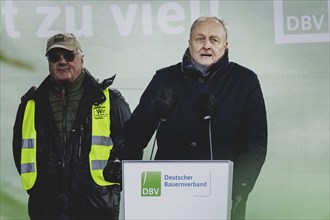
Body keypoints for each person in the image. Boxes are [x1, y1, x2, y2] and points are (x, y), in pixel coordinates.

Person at [118, 16, 267, 220]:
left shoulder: (245, 81)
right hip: (167, 197)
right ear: (189, 43)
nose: (206, 45)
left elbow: (255, 143)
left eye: (214, 40)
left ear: (226, 45)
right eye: (200, 39)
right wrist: (123, 168)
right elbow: (135, 132)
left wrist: (239, 190)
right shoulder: (164, 79)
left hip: (222, 199)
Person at [12, 32, 131, 220]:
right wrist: (36, 188)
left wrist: (115, 177)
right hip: (46, 209)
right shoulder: (32, 105)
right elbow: (21, 155)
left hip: (96, 209)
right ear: (49, 62)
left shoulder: (109, 100)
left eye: (68, 55)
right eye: (54, 57)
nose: (62, 61)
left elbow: (132, 148)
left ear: (81, 59)